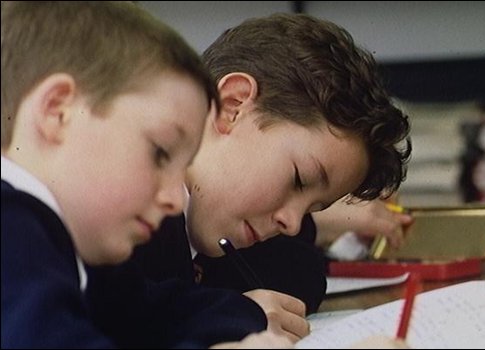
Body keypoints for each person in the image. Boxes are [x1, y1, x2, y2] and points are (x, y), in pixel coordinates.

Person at [1, 2, 292, 348]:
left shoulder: (72, 251)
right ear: (58, 111)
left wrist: (249, 315)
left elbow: (155, 313)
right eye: (160, 152)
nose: (173, 200)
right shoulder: (12, 228)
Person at [124, 11, 412, 342]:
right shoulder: (120, 203)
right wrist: (230, 317)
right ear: (231, 106)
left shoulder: (216, 227)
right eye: (299, 179)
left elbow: (300, 277)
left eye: (312, 209)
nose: (291, 223)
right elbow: (122, 319)